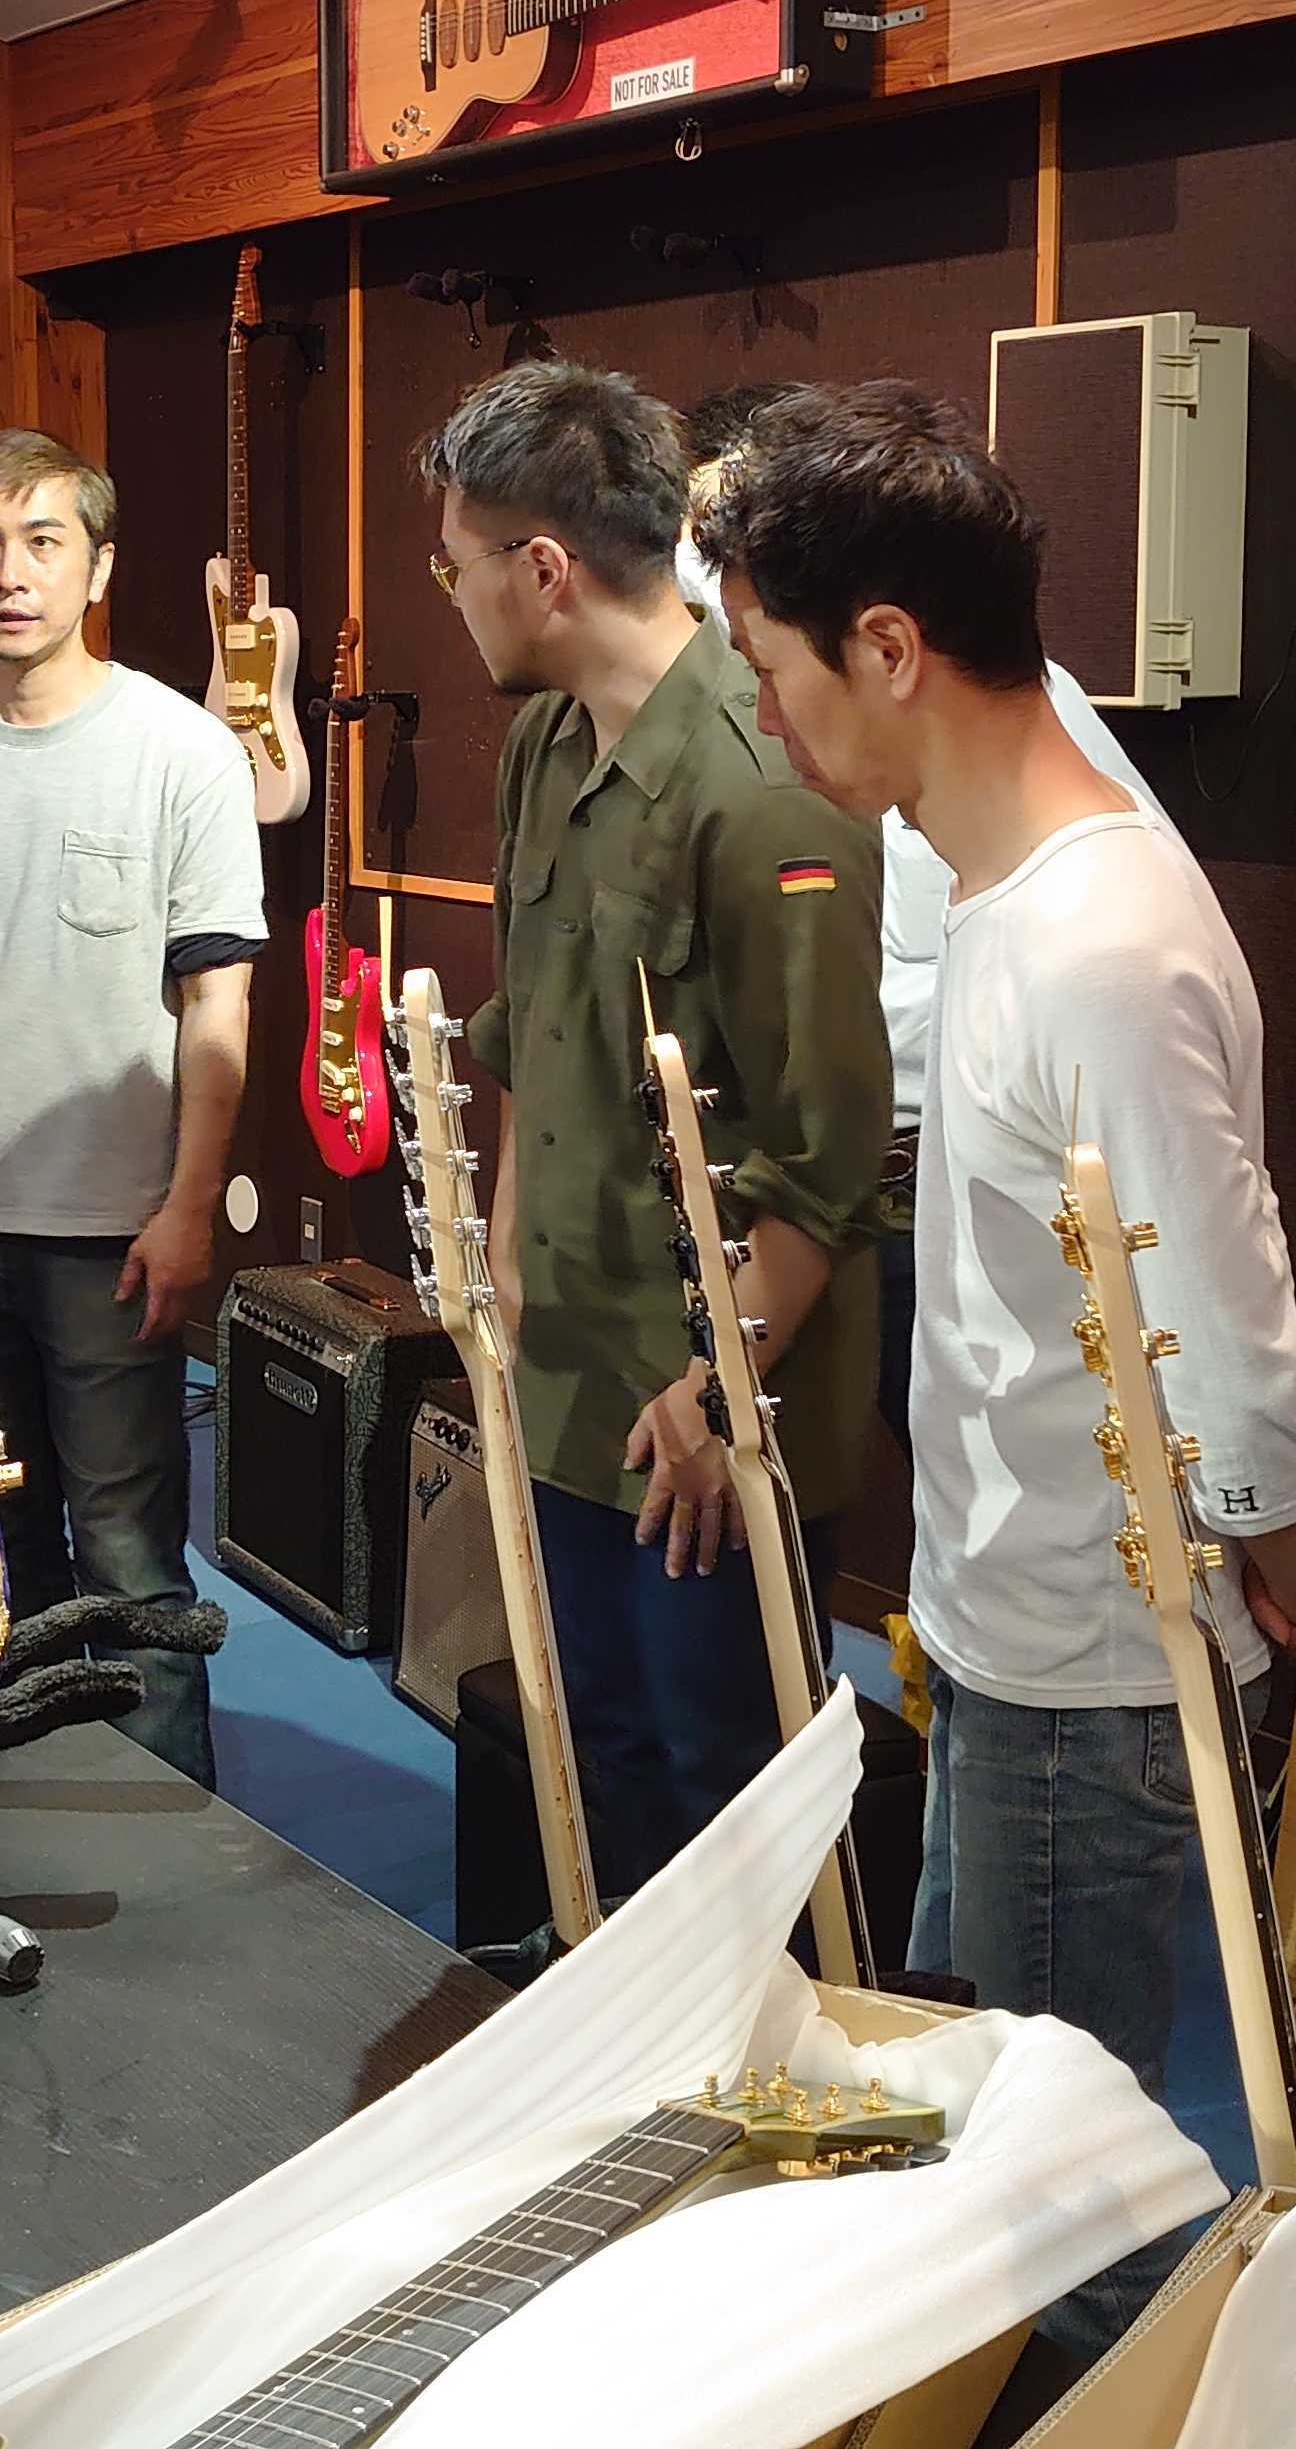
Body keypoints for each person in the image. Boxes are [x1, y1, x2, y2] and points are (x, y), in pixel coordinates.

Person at [695, 382, 1296, 2322]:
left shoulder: (1101, 941)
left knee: (1064, 2229)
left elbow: (1234, 1350)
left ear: (887, 646)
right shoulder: (1006, 894)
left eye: (772, 665)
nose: (764, 713)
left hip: (1086, 1684)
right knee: (991, 2141)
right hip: (1007, 1641)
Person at [419, 360, 890, 1896]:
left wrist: (716, 1388)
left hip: (712, 1417)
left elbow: (832, 1157)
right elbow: (533, 1035)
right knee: (595, 1763)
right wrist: (498, 1273)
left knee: (731, 1812)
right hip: (566, 1376)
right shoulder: (546, 746)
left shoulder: (766, 787)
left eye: (457, 564)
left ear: (543, 569)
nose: (454, 596)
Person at [0, 429, 262, 1783]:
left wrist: (189, 1207)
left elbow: (216, 1006)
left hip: (112, 1233)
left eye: (42, 542)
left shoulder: (183, 753)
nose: (10, 574)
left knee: (132, 1563)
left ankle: (174, 1836)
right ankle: (37, 1801)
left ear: (100, 567)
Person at [679, 382, 1182, 1456]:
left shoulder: (1091, 899)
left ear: (888, 645)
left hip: (929, 1178)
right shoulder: (783, 741)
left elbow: (1198, 1304)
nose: (764, 711)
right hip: (884, 1173)